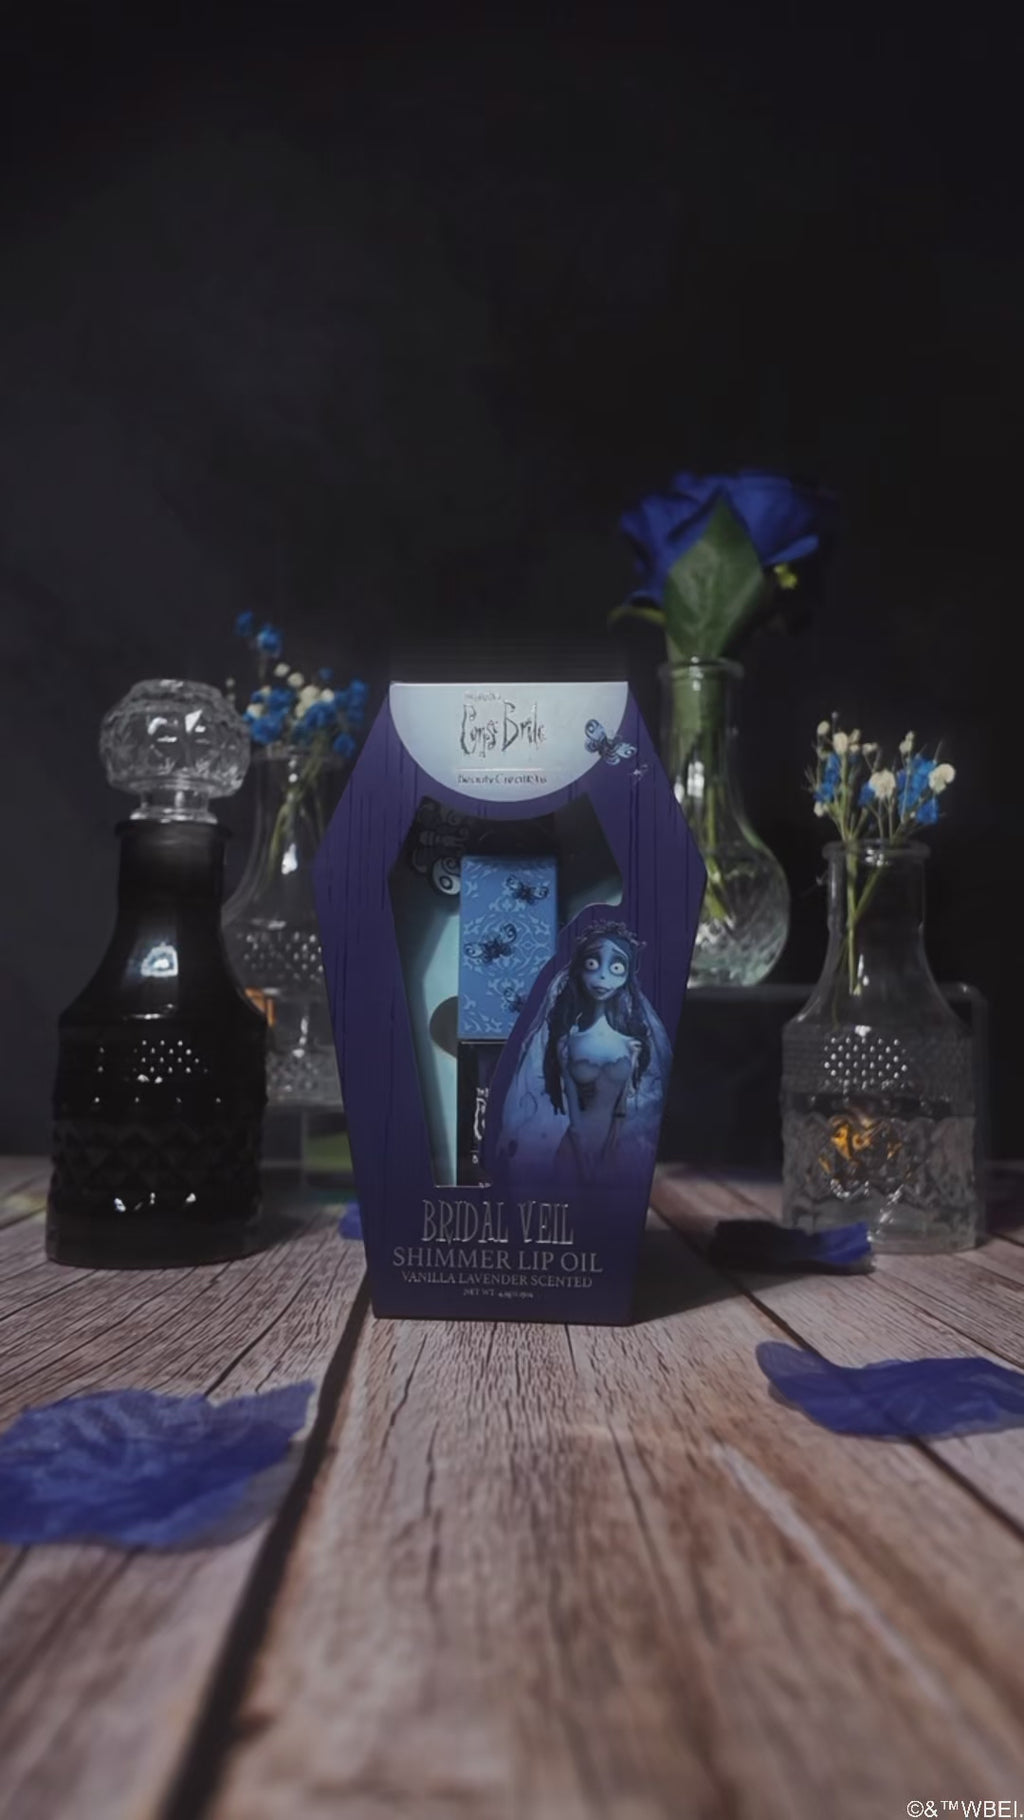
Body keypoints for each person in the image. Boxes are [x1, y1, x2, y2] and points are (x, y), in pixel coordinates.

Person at [494, 921, 672, 1186]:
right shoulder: (567, 1043)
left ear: (626, 975)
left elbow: (624, 1105)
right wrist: (581, 1150)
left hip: (615, 1148)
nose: (602, 977)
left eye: (616, 967)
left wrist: (615, 1140)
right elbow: (569, 1105)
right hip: (573, 1147)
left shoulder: (631, 1045)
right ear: (578, 970)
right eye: (592, 964)